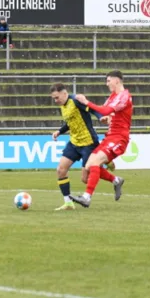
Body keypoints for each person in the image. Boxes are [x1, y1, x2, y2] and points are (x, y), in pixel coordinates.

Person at [71, 70, 131, 208]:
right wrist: (107, 119)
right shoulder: (112, 97)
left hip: (119, 138)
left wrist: (86, 102)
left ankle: (86, 198)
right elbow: (106, 113)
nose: (107, 83)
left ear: (117, 80)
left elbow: (105, 110)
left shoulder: (124, 96)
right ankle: (116, 180)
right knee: (87, 169)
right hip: (110, 136)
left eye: (108, 80)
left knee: (95, 162)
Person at [50, 83, 101, 211]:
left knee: (85, 179)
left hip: (88, 142)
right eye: (54, 98)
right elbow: (69, 122)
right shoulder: (63, 106)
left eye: (57, 97)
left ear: (64, 93)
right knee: (61, 170)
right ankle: (68, 203)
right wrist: (59, 131)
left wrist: (102, 117)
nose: (56, 101)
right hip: (74, 142)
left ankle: (110, 171)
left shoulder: (76, 101)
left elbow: (93, 109)